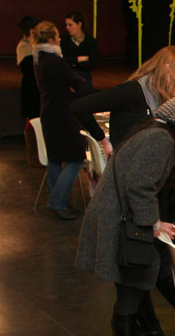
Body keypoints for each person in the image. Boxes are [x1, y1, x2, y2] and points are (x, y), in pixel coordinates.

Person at [77, 95, 175, 336]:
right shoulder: (160, 140)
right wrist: (154, 223)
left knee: (136, 284)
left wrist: (156, 222)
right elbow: (139, 186)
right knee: (130, 291)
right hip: (119, 221)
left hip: (119, 216)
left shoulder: (152, 131)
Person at [31, 21, 110, 220]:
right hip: (62, 114)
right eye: (58, 36)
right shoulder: (54, 61)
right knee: (75, 158)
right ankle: (58, 202)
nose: (60, 39)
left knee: (55, 158)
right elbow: (78, 82)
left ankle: (58, 201)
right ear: (51, 39)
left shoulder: (39, 58)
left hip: (50, 112)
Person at [69, 45, 175, 146]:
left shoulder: (158, 96)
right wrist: (102, 140)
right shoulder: (131, 92)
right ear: (167, 69)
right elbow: (79, 107)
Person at [18, 15, 41, 165]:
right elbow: (28, 71)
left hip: (36, 89)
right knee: (32, 122)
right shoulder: (24, 47)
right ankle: (34, 157)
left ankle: (39, 155)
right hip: (31, 89)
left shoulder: (33, 46)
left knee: (36, 120)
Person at [62, 11, 98, 91]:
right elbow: (63, 60)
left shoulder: (91, 41)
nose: (67, 28)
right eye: (66, 25)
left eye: (70, 25)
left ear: (79, 24)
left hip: (85, 76)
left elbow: (93, 62)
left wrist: (74, 63)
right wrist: (78, 59)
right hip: (68, 75)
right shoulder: (64, 40)